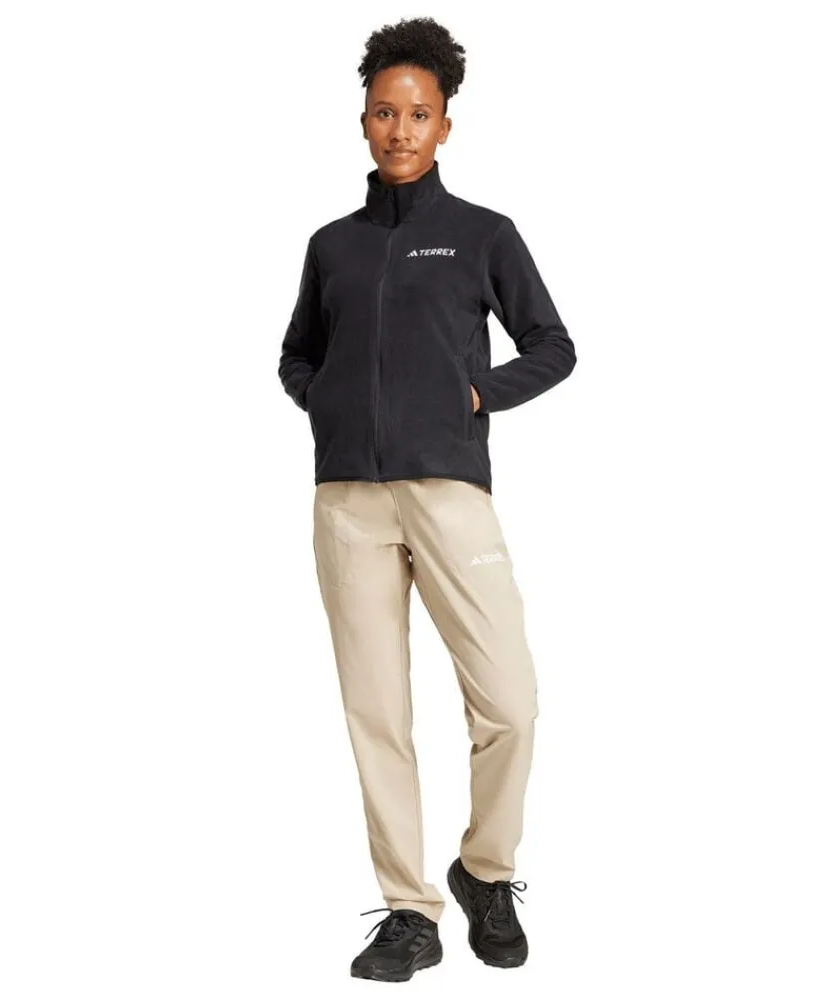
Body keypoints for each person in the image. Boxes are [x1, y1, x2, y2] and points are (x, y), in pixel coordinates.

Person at [278, 16, 576, 982]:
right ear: (362, 120)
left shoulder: (483, 235)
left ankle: (484, 872)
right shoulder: (332, 246)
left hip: (450, 491)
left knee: (511, 704)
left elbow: (553, 346)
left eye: (418, 114)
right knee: (377, 711)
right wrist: (325, 401)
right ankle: (410, 909)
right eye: (384, 112)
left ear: (446, 124)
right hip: (348, 505)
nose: (399, 129)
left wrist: (477, 393)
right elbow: (297, 354)